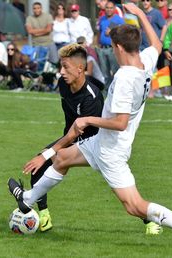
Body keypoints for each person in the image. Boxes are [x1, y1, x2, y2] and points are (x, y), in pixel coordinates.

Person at [8, 3, 172, 249]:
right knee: (61, 159)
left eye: (112, 46)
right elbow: (157, 44)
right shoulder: (146, 61)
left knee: (134, 206)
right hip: (101, 142)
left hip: (111, 151)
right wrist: (139, 13)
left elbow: (119, 122)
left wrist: (87, 120)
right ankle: (28, 199)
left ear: (118, 47)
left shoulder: (123, 79)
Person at [27, 43, 104, 232]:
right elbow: (70, 132)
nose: (61, 72)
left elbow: (77, 134)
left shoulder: (92, 97)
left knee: (119, 188)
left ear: (80, 69)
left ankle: (148, 219)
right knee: (37, 168)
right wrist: (47, 154)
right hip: (72, 138)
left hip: (97, 145)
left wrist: (48, 154)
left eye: (65, 67)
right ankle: (44, 217)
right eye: (60, 67)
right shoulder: (64, 83)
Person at [97, 0, 124, 89]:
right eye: (107, 8)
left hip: (113, 49)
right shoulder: (102, 19)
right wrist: (98, 44)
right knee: (104, 72)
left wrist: (112, 32)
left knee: (115, 71)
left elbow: (123, 33)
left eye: (111, 8)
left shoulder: (119, 20)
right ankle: (106, 90)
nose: (109, 10)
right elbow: (99, 32)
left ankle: (117, 90)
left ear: (114, 9)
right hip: (102, 49)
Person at [26, 2, 58, 66]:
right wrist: (44, 30)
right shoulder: (29, 18)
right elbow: (29, 31)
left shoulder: (48, 16)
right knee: (39, 65)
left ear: (41, 8)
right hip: (37, 44)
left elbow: (49, 29)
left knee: (55, 62)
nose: (36, 10)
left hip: (49, 43)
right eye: (34, 8)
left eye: (38, 8)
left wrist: (36, 32)